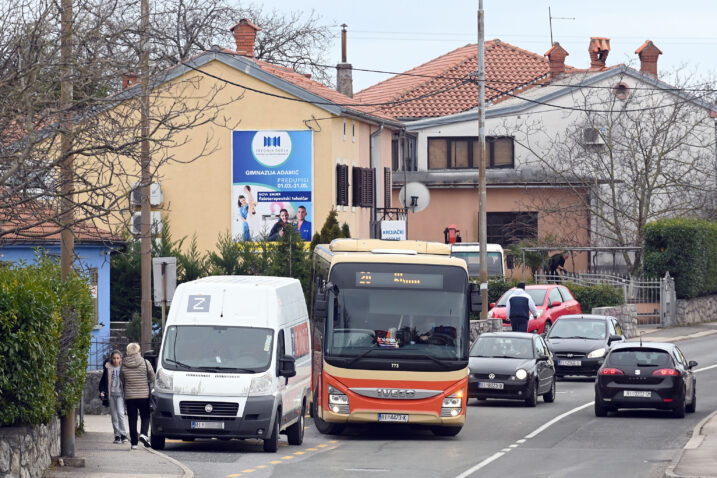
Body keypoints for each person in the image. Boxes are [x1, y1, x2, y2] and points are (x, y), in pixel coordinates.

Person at [120, 342, 155, 450]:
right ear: (139, 351)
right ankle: (144, 434)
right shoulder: (145, 362)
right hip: (144, 395)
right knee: (145, 416)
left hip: (130, 397)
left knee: (132, 419)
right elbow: (152, 376)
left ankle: (134, 444)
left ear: (127, 352)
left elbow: (122, 379)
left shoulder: (123, 364)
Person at [99, 350, 128, 444]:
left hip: (120, 395)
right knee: (114, 416)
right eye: (114, 358)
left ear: (121, 359)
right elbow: (103, 382)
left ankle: (123, 434)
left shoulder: (123, 368)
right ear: (111, 359)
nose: (116, 360)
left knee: (121, 414)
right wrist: (102, 392)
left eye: (118, 358)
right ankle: (117, 436)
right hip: (111, 395)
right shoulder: (108, 368)